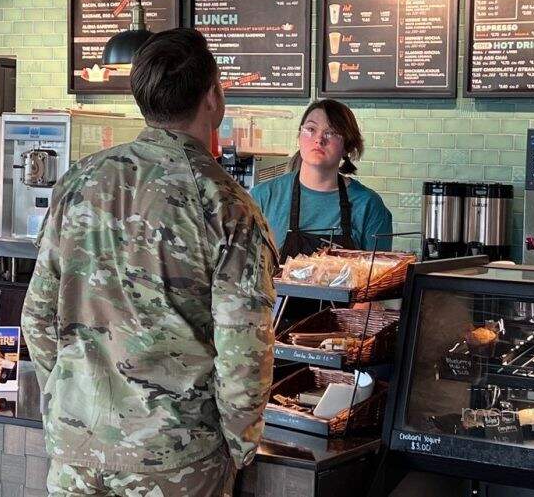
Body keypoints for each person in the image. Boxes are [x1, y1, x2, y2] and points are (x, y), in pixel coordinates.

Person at [21, 28, 277, 497]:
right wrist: (238, 447)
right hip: (176, 460)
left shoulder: (79, 181)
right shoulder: (225, 203)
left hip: (77, 449)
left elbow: (38, 316)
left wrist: (68, 401)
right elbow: (245, 350)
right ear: (214, 97)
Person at [251, 99, 393, 263]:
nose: (319, 139)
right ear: (299, 136)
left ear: (347, 146)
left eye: (330, 132)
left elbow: (379, 279)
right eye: (310, 129)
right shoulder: (263, 197)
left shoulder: (369, 205)